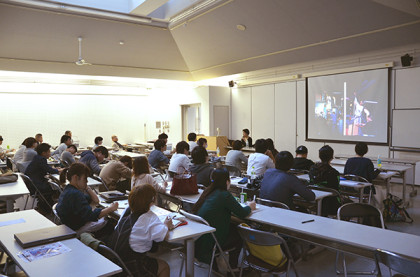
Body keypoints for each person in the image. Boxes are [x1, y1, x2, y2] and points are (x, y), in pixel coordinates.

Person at [192, 168, 256, 270]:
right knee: (240, 234)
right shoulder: (224, 195)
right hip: (212, 242)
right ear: (227, 181)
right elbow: (242, 213)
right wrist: (250, 207)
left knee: (233, 226)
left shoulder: (208, 192)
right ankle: (233, 269)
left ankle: (217, 265)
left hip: (199, 240)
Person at [109, 184, 171, 277]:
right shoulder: (149, 217)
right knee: (164, 266)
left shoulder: (126, 212)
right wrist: (166, 225)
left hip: (117, 264)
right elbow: (162, 236)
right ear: (152, 201)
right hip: (132, 267)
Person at [56, 163, 118, 235]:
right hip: (76, 229)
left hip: (69, 226)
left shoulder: (69, 189)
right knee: (110, 223)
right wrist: (110, 209)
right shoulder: (75, 194)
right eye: (85, 179)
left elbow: (96, 200)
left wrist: (87, 187)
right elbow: (92, 216)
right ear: (76, 177)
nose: (87, 181)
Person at [25, 143, 62, 213]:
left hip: (32, 183)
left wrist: (55, 169)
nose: (50, 153)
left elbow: (46, 168)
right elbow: (50, 171)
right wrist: (59, 170)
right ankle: (48, 207)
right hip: (36, 185)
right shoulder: (41, 159)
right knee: (56, 189)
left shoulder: (37, 157)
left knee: (53, 186)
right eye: (48, 151)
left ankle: (44, 206)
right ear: (43, 153)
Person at [309, 145, 341, 216]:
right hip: (331, 205)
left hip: (314, 202)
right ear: (331, 157)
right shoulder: (334, 173)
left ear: (319, 156)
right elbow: (337, 190)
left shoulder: (312, 169)